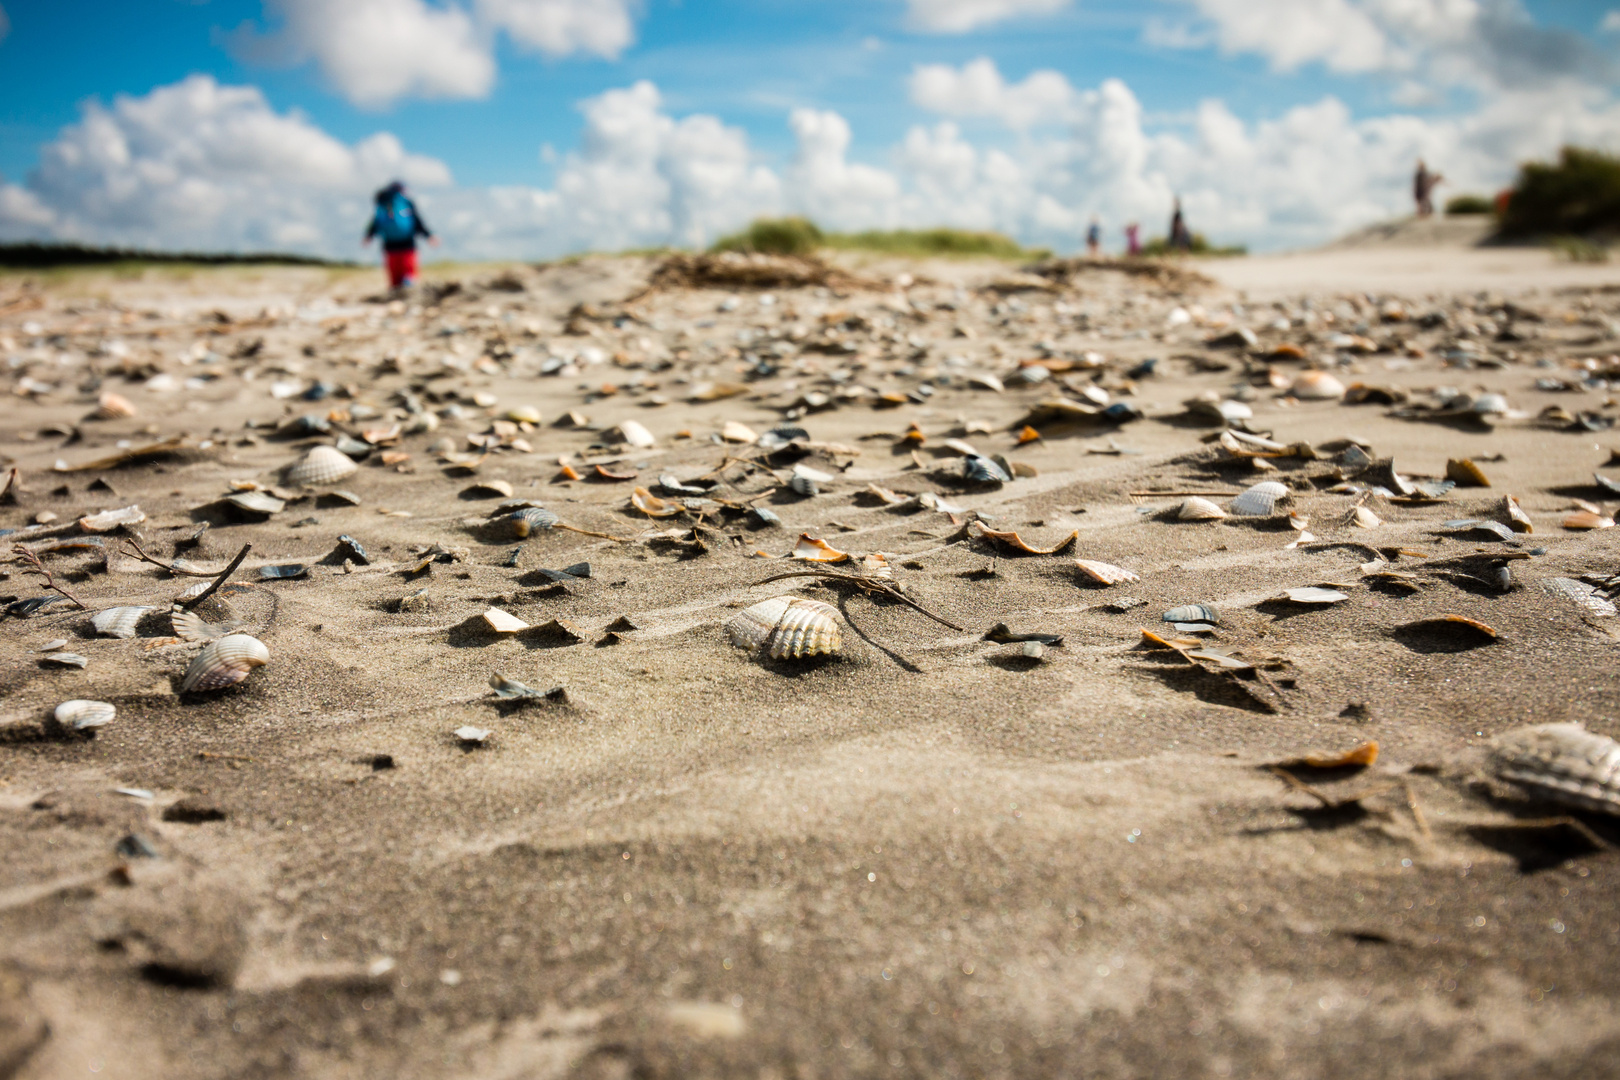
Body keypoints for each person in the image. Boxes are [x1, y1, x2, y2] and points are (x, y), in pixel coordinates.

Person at [363, 180, 437, 290]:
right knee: (409, 274)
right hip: (407, 244)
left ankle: (395, 293)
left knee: (395, 275)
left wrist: (368, 236)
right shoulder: (406, 202)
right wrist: (429, 235)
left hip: (389, 245)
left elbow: (375, 222)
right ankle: (408, 292)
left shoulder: (383, 203)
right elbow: (417, 221)